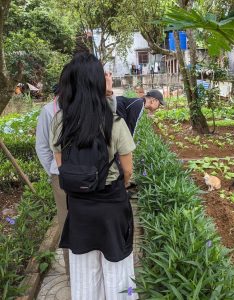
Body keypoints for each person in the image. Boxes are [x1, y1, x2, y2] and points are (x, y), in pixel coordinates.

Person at [49, 52, 137, 300]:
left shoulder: (59, 122)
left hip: (79, 207)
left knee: (85, 273)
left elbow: (61, 165)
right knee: (118, 268)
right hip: (112, 205)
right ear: (97, 82)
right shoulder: (115, 122)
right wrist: (122, 184)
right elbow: (128, 169)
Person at [35, 70, 117, 276]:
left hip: (92, 176)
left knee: (93, 224)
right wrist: (56, 172)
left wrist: (109, 92)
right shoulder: (49, 111)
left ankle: (95, 274)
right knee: (68, 226)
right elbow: (43, 147)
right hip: (63, 180)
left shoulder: (87, 106)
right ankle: (75, 275)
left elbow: (111, 121)